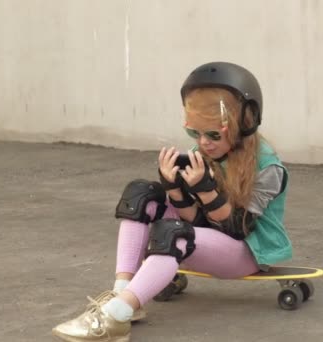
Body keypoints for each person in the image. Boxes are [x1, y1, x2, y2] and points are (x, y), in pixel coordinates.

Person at [52, 62, 293, 342]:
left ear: (245, 123)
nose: (204, 143)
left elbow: (238, 229)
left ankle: (115, 317)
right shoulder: (201, 154)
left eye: (214, 134)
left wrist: (205, 191)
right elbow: (197, 222)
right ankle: (124, 294)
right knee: (142, 196)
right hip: (210, 238)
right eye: (195, 133)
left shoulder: (267, 168)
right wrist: (175, 189)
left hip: (249, 251)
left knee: (172, 232)